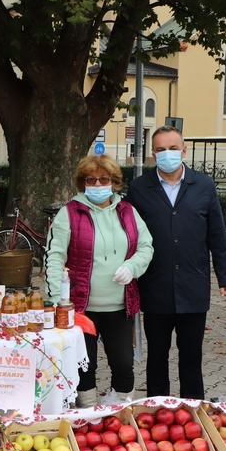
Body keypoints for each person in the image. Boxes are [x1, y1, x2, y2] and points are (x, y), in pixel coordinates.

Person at [126, 125, 226, 400]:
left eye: (173, 148)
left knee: (191, 357)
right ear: (153, 153)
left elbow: (217, 235)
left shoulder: (204, 186)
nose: (167, 154)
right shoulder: (138, 189)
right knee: (157, 357)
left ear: (184, 151)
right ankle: (158, 409)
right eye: (161, 149)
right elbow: (129, 236)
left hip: (193, 285)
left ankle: (193, 409)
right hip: (155, 286)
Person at [46, 154, 153, 407]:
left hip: (120, 306)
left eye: (104, 179)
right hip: (80, 308)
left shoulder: (128, 211)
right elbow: (54, 257)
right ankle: (87, 414)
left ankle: (119, 411)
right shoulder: (69, 213)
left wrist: (132, 267)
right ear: (82, 183)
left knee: (123, 364)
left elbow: (146, 246)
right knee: (85, 366)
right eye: (90, 179)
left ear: (114, 182)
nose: (97, 184)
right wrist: (57, 300)